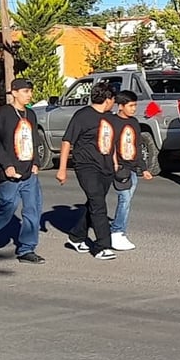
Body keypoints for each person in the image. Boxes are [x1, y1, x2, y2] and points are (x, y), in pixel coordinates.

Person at [0, 78, 45, 264]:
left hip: (29, 172)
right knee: (6, 210)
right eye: (25, 91)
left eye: (30, 91)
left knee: (32, 210)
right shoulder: (4, 113)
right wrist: (7, 166)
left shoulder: (31, 114)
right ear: (14, 92)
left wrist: (36, 162)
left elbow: (35, 140)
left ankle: (26, 249)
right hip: (8, 174)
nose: (29, 95)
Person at [57, 81, 118, 260]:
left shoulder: (110, 117)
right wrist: (62, 169)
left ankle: (76, 236)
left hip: (105, 166)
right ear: (107, 99)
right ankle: (102, 247)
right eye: (112, 99)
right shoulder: (82, 116)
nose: (113, 102)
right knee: (98, 203)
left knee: (93, 203)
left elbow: (111, 141)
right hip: (86, 166)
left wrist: (114, 162)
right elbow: (67, 141)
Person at [109, 90, 154, 251]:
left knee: (127, 200)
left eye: (135, 105)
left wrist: (144, 168)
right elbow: (109, 144)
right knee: (125, 199)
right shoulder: (112, 121)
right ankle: (117, 231)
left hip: (132, 168)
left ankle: (117, 229)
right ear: (121, 106)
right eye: (130, 105)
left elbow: (137, 146)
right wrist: (114, 164)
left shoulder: (134, 122)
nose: (134, 108)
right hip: (118, 167)